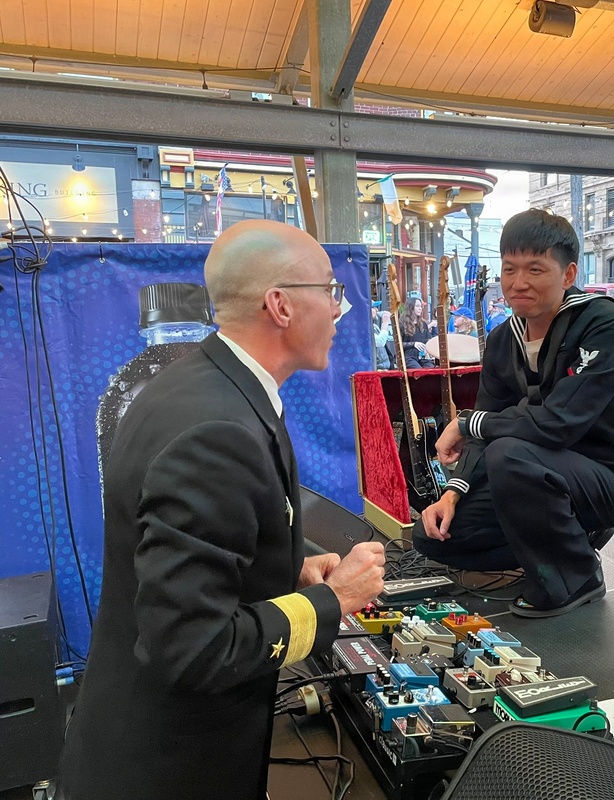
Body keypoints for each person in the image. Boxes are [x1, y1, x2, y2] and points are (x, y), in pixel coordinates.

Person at [58, 220, 387, 800]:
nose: (341, 307)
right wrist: (332, 602)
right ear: (281, 305)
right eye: (330, 290)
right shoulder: (217, 430)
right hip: (170, 768)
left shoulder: (199, 385)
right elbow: (195, 648)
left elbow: (200, 554)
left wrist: (285, 570)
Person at [412, 209, 614, 618]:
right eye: (510, 269)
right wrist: (453, 493)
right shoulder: (504, 339)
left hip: (611, 477)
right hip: (535, 472)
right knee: (431, 536)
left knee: (509, 453)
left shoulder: (602, 323)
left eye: (535, 269)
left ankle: (576, 577)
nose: (518, 282)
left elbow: (559, 424)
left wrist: (468, 422)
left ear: (568, 274)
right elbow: (486, 421)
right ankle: (568, 541)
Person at [400, 295, 433, 369]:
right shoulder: (402, 324)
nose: (420, 308)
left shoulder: (423, 324)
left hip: (423, 355)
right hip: (409, 356)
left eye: (421, 306)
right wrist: (414, 344)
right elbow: (398, 344)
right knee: (418, 370)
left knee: (431, 369)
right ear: (410, 307)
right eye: (417, 306)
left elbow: (428, 338)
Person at [372, 301, 392, 369]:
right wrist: (385, 322)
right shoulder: (366, 327)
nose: (377, 310)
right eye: (374, 307)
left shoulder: (374, 326)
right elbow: (380, 342)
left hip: (384, 366)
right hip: (377, 367)